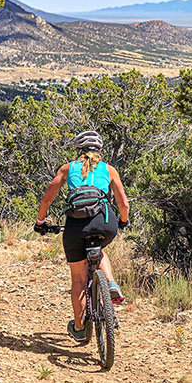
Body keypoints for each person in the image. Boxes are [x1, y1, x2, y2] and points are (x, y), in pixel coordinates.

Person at [34, 131, 130, 342]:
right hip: (105, 222)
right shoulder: (109, 169)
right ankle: (111, 284)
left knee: (78, 278)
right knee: (100, 249)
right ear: (99, 151)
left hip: (77, 226)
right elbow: (123, 201)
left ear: (78, 150)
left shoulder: (68, 168)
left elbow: (47, 198)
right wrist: (123, 220)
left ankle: (79, 327)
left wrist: (40, 222)